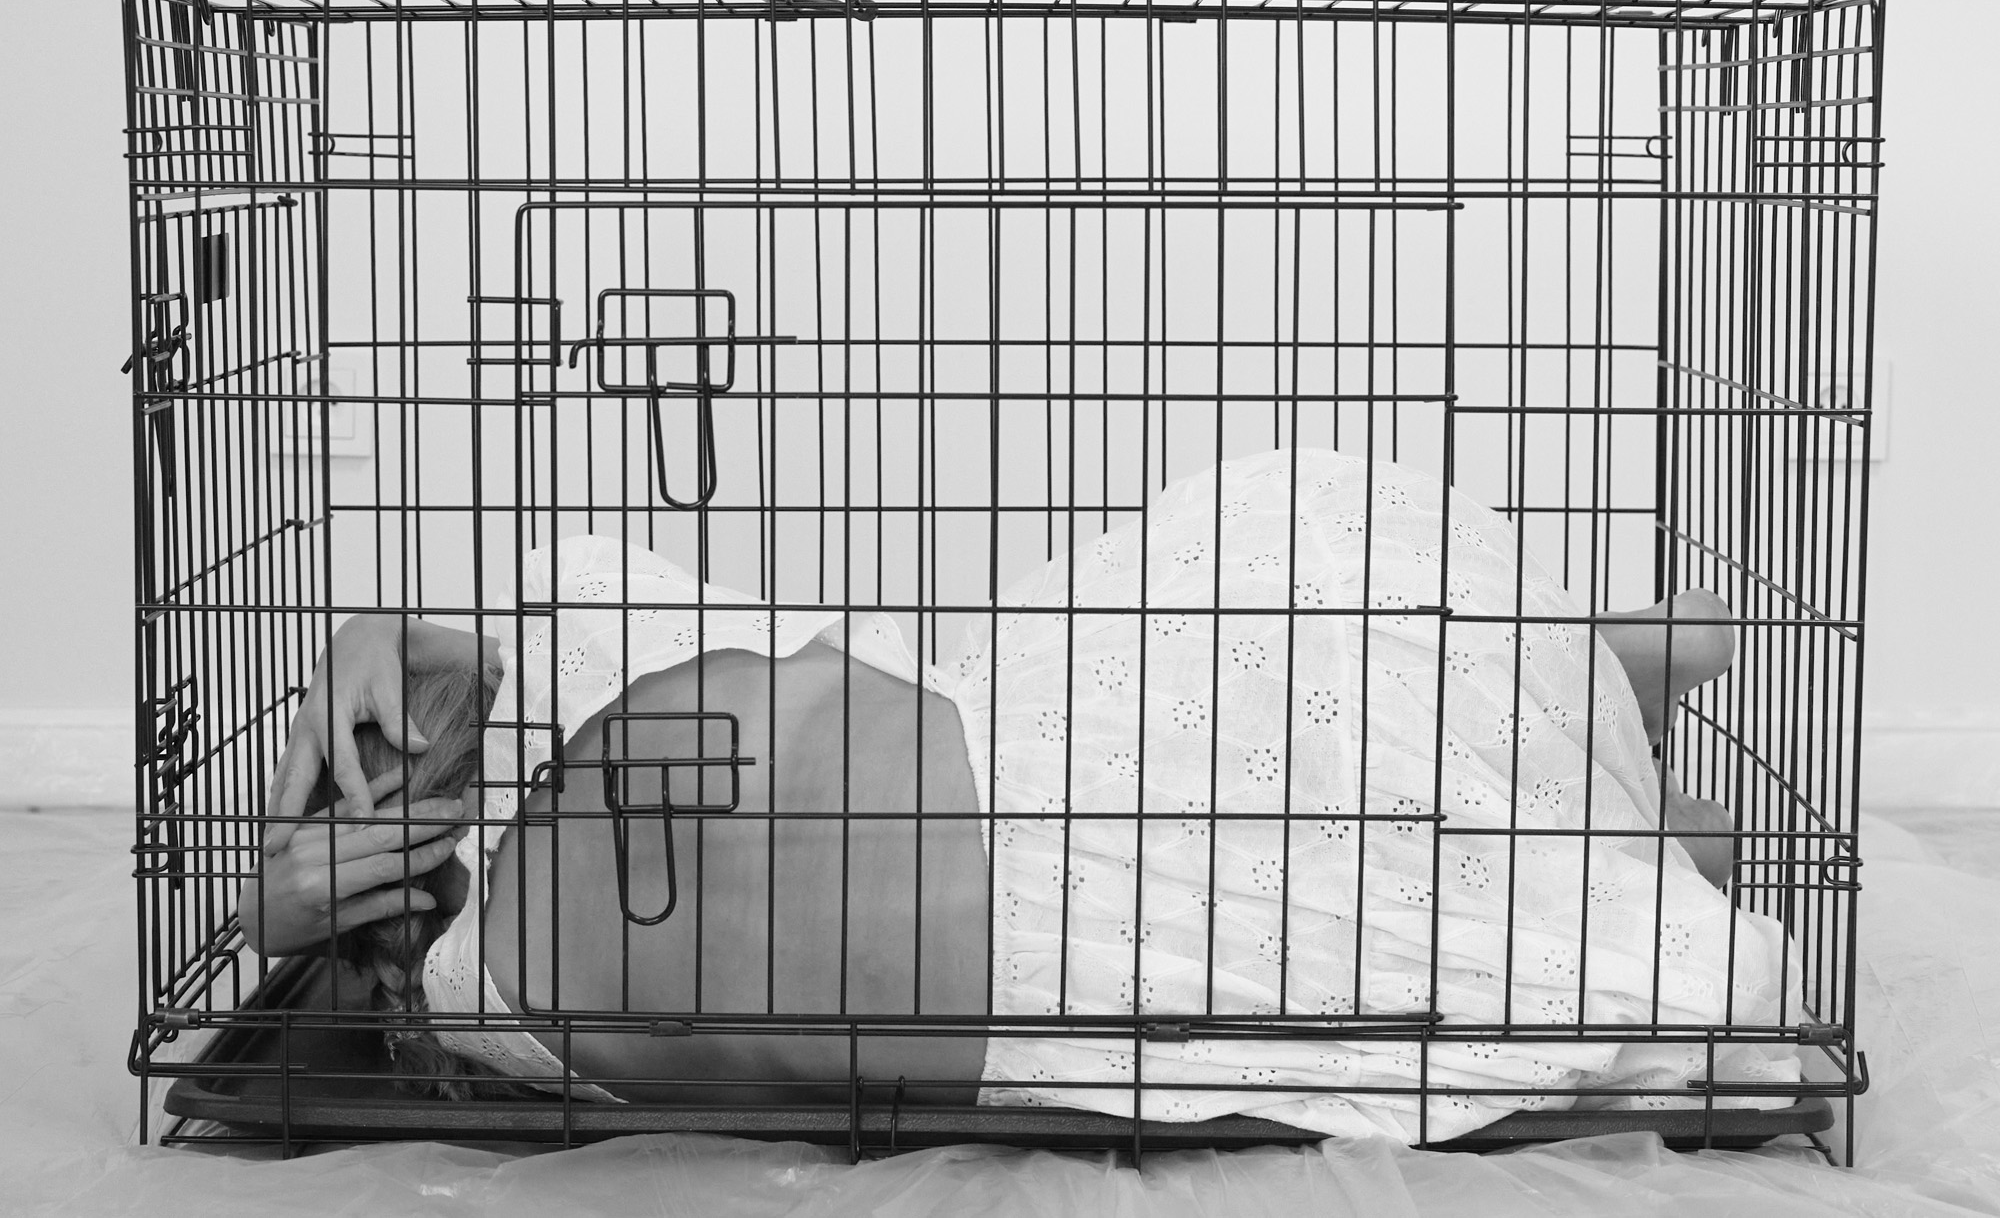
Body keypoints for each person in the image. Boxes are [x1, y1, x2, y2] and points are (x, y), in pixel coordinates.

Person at [243, 447, 1790, 1142]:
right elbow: (296, 1005)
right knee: (1364, 881)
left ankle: (1600, 678)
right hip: (1063, 944)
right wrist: (283, 914)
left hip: (1029, 723)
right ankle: (1626, 782)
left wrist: (385, 631)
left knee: (1298, 651)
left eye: (348, 767)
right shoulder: (477, 994)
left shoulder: (560, 650)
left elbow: (456, 656)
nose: (359, 796)